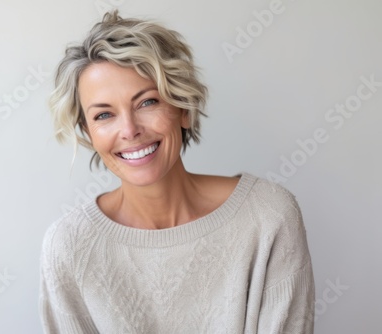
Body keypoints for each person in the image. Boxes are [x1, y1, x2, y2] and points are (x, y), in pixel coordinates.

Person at [39, 10, 315, 334]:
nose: (129, 130)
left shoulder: (268, 216)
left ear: (182, 108)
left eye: (147, 102)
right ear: (87, 132)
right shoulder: (69, 246)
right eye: (104, 115)